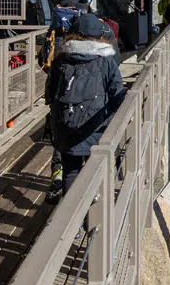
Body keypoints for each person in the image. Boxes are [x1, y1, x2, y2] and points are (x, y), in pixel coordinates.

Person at [46, 13, 125, 197]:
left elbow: (50, 92)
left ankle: (70, 212)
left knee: (70, 170)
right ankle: (92, 206)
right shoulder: (106, 60)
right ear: (100, 35)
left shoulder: (61, 59)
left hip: (66, 124)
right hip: (95, 125)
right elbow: (117, 94)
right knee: (94, 170)